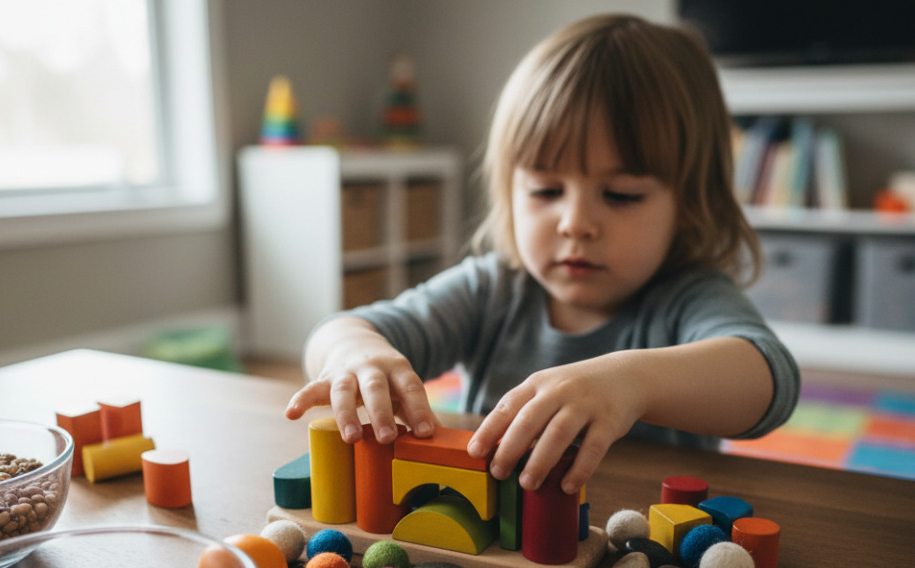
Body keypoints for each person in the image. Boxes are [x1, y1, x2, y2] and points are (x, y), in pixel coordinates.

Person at [285, 13, 799, 497]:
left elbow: (769, 382)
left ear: (688, 205)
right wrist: (354, 355)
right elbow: (338, 332)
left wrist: (633, 383)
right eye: (546, 190)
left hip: (642, 545)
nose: (575, 222)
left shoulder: (688, 296)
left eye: (621, 195)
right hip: (497, 540)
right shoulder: (491, 289)